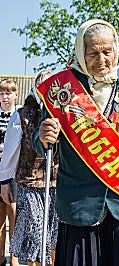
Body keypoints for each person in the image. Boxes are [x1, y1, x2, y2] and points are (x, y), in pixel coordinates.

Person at [31, 19, 119, 266]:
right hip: (80, 204)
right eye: (93, 53)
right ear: (80, 52)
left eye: (107, 51)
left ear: (116, 49)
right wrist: (43, 137)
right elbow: (41, 141)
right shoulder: (61, 87)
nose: (102, 60)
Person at [0, 70, 57, 266]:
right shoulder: (21, 115)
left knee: (53, 238)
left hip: (56, 185)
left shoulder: (61, 112)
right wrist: (5, 182)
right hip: (29, 184)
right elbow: (9, 152)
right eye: (41, 84)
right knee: (34, 237)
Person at [0, 79, 20, 266]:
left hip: (13, 170)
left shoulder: (19, 115)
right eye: (2, 93)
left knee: (13, 212)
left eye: (8, 93)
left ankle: (14, 258)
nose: (5, 97)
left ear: (16, 94)